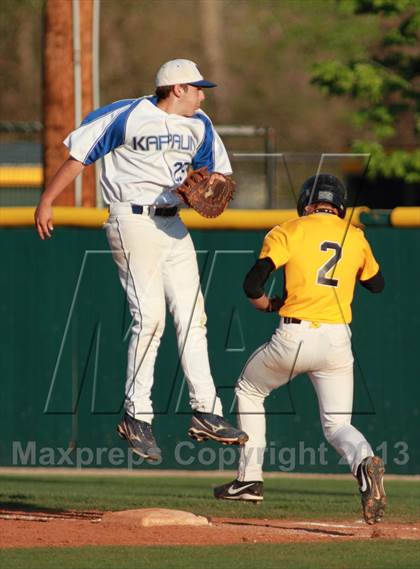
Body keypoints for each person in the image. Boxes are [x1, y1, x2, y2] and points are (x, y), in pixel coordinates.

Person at [35, 58, 248, 461]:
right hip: (131, 220)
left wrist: (212, 184)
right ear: (177, 89)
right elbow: (79, 155)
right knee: (150, 318)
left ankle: (207, 411)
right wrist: (47, 199)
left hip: (172, 225)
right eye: (197, 87)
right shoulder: (127, 114)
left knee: (194, 317)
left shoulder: (199, 124)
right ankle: (137, 416)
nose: (203, 94)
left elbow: (219, 174)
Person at [214, 174, 386, 525]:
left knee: (249, 389)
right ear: (338, 205)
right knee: (338, 424)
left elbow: (252, 284)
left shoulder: (290, 229)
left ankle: (249, 479)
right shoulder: (355, 236)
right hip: (338, 341)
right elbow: (376, 285)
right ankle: (364, 461)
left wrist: (266, 305)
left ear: (306, 202)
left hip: (295, 335)